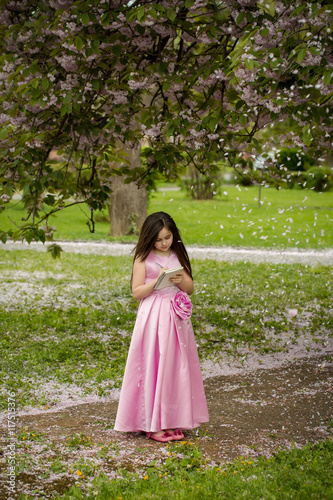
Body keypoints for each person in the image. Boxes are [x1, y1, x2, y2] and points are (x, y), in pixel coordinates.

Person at [114, 212, 209, 442]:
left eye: (167, 237)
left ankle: (173, 419)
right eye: (158, 239)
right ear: (149, 238)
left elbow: (190, 287)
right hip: (154, 315)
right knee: (155, 364)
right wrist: (155, 283)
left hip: (176, 318)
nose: (164, 243)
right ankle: (153, 423)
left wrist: (179, 281)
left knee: (175, 367)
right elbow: (136, 292)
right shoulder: (142, 258)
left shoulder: (177, 255)